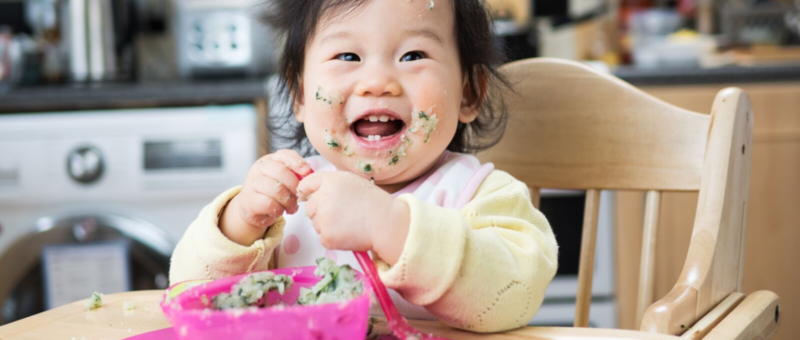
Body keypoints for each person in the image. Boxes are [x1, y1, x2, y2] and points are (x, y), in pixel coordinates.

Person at [170, 0, 557, 332]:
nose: (377, 82)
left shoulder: (481, 195)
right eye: (347, 56)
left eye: (413, 56)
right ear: (299, 93)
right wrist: (239, 224)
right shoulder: (289, 202)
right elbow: (188, 296)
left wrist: (388, 226)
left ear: (468, 92)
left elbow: (516, 294)